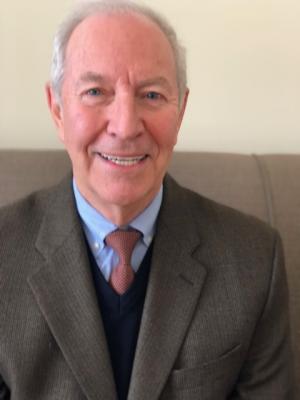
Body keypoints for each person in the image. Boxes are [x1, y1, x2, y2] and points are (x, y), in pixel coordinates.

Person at [0, 1, 294, 399]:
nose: (124, 126)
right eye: (95, 92)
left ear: (181, 110)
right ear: (57, 110)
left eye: (152, 95)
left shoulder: (255, 262)